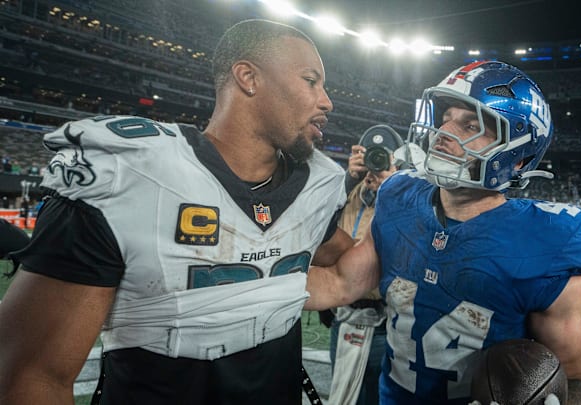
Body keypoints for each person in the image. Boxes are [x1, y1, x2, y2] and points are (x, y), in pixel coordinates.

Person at [0, 19, 354, 405]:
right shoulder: (128, 172)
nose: (326, 101)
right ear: (248, 77)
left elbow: (342, 272)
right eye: (310, 80)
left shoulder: (316, 185)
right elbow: (31, 377)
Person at [305, 60, 581, 405]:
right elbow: (340, 282)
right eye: (446, 117)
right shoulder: (400, 196)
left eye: (471, 125)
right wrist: (250, 285)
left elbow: (579, 378)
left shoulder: (547, 241)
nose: (444, 132)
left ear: (517, 157)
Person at [327, 125, 404, 405]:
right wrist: (348, 179)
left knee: (378, 398)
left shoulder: (404, 195)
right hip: (344, 315)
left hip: (385, 321)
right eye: (369, 154)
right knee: (345, 396)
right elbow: (317, 225)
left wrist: (392, 187)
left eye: (382, 156)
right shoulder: (345, 191)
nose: (375, 163)